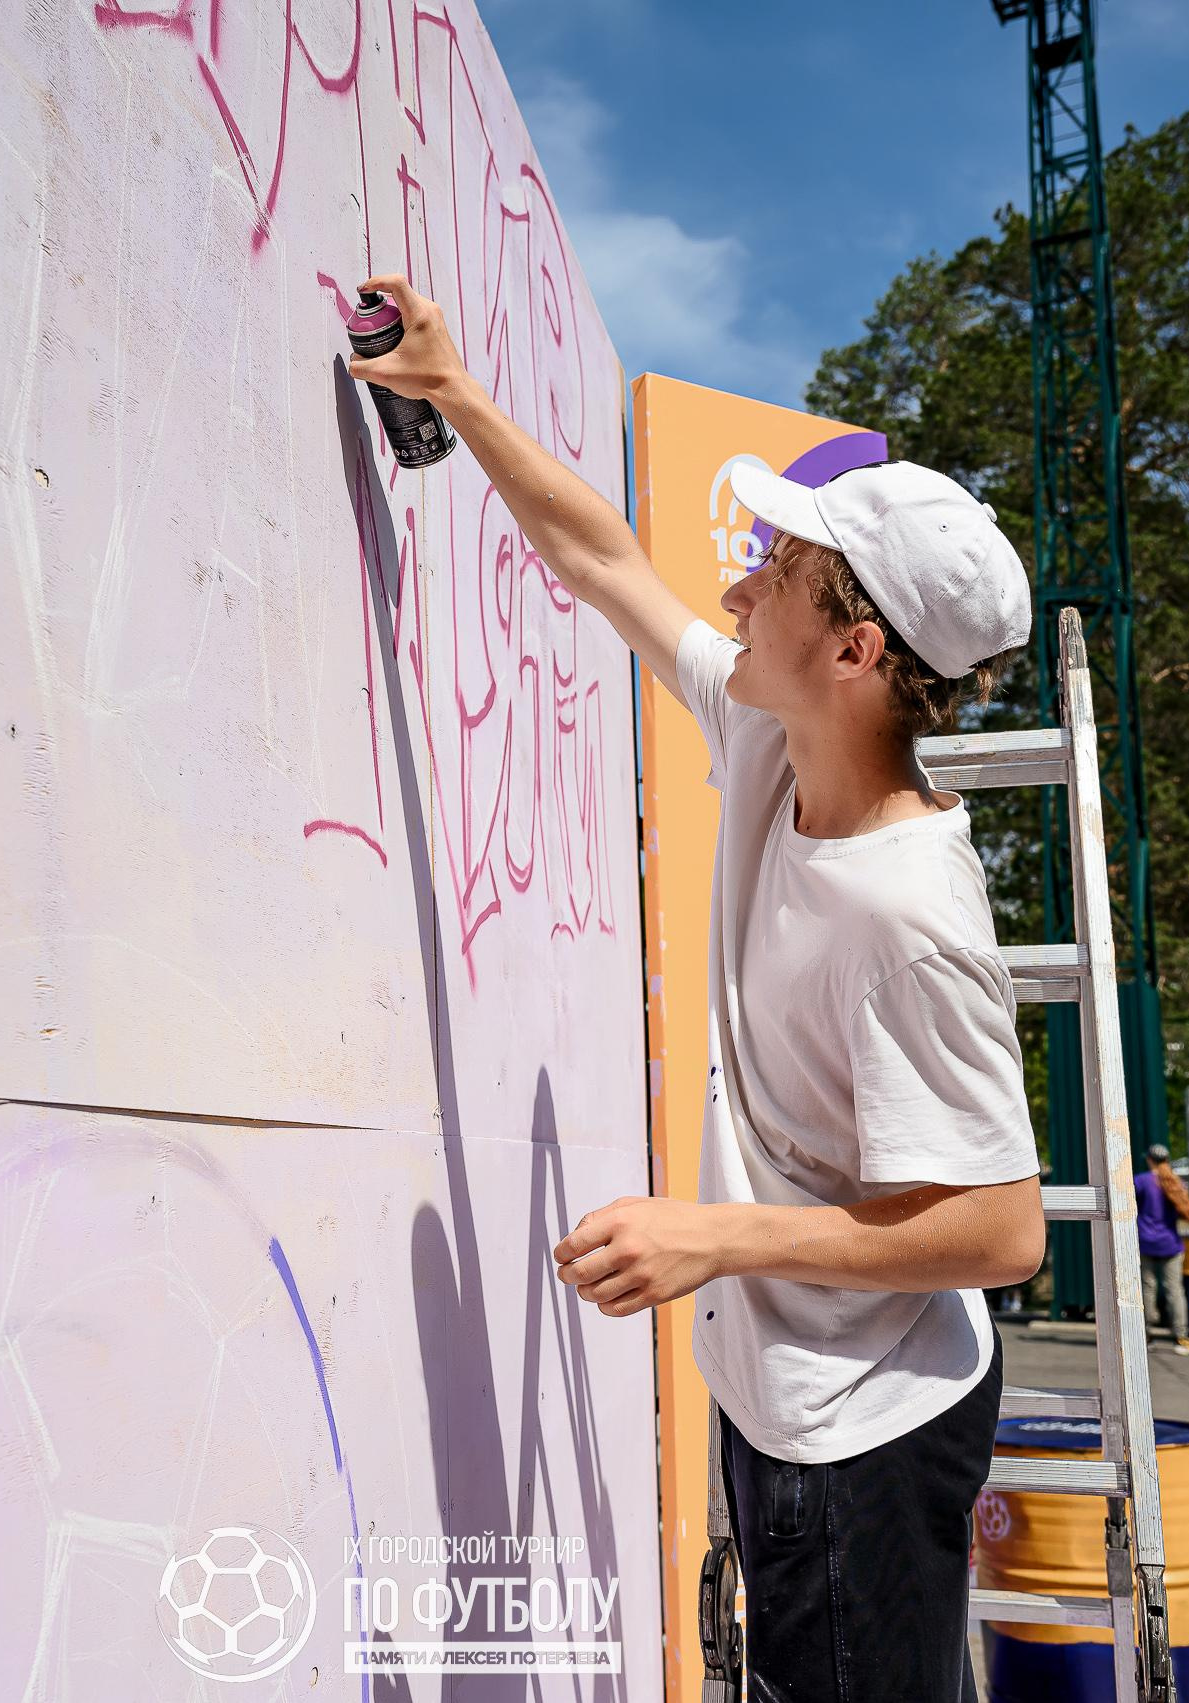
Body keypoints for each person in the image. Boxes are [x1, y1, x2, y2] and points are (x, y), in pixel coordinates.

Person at [347, 275, 1047, 1703]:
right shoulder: (773, 735)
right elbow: (607, 563)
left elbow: (1001, 1227)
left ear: (858, 649)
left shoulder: (909, 912)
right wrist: (454, 390)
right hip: (802, 1388)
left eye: (776, 574)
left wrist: (711, 1237)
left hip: (866, 1427)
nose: (738, 588)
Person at [1133, 1143, 1189, 1355]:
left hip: (1146, 1242)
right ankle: (1181, 1336)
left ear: (1149, 1159)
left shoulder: (1142, 1181)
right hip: (1171, 1243)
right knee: (1175, 1290)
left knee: (1147, 1288)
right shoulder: (1175, 1181)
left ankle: (1146, 1334)